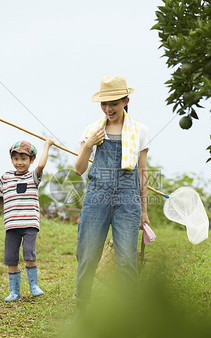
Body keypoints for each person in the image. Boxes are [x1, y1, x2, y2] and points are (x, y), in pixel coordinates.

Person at [74, 75, 150, 313]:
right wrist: (89, 145)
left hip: (128, 199)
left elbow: (142, 173)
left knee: (127, 258)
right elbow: (79, 169)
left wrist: (144, 212)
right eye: (104, 104)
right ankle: (81, 308)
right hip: (97, 196)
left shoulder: (140, 131)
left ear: (126, 101)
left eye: (114, 103)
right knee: (87, 253)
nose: (109, 109)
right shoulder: (92, 130)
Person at [0, 139, 54, 302]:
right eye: (16, 159)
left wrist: (47, 145)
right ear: (12, 160)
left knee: (29, 252)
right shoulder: (6, 177)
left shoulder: (33, 176)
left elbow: (41, 166)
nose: (19, 162)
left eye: (24, 159)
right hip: (12, 225)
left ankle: (34, 285)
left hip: (29, 224)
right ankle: (14, 291)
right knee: (11, 257)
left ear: (31, 160)